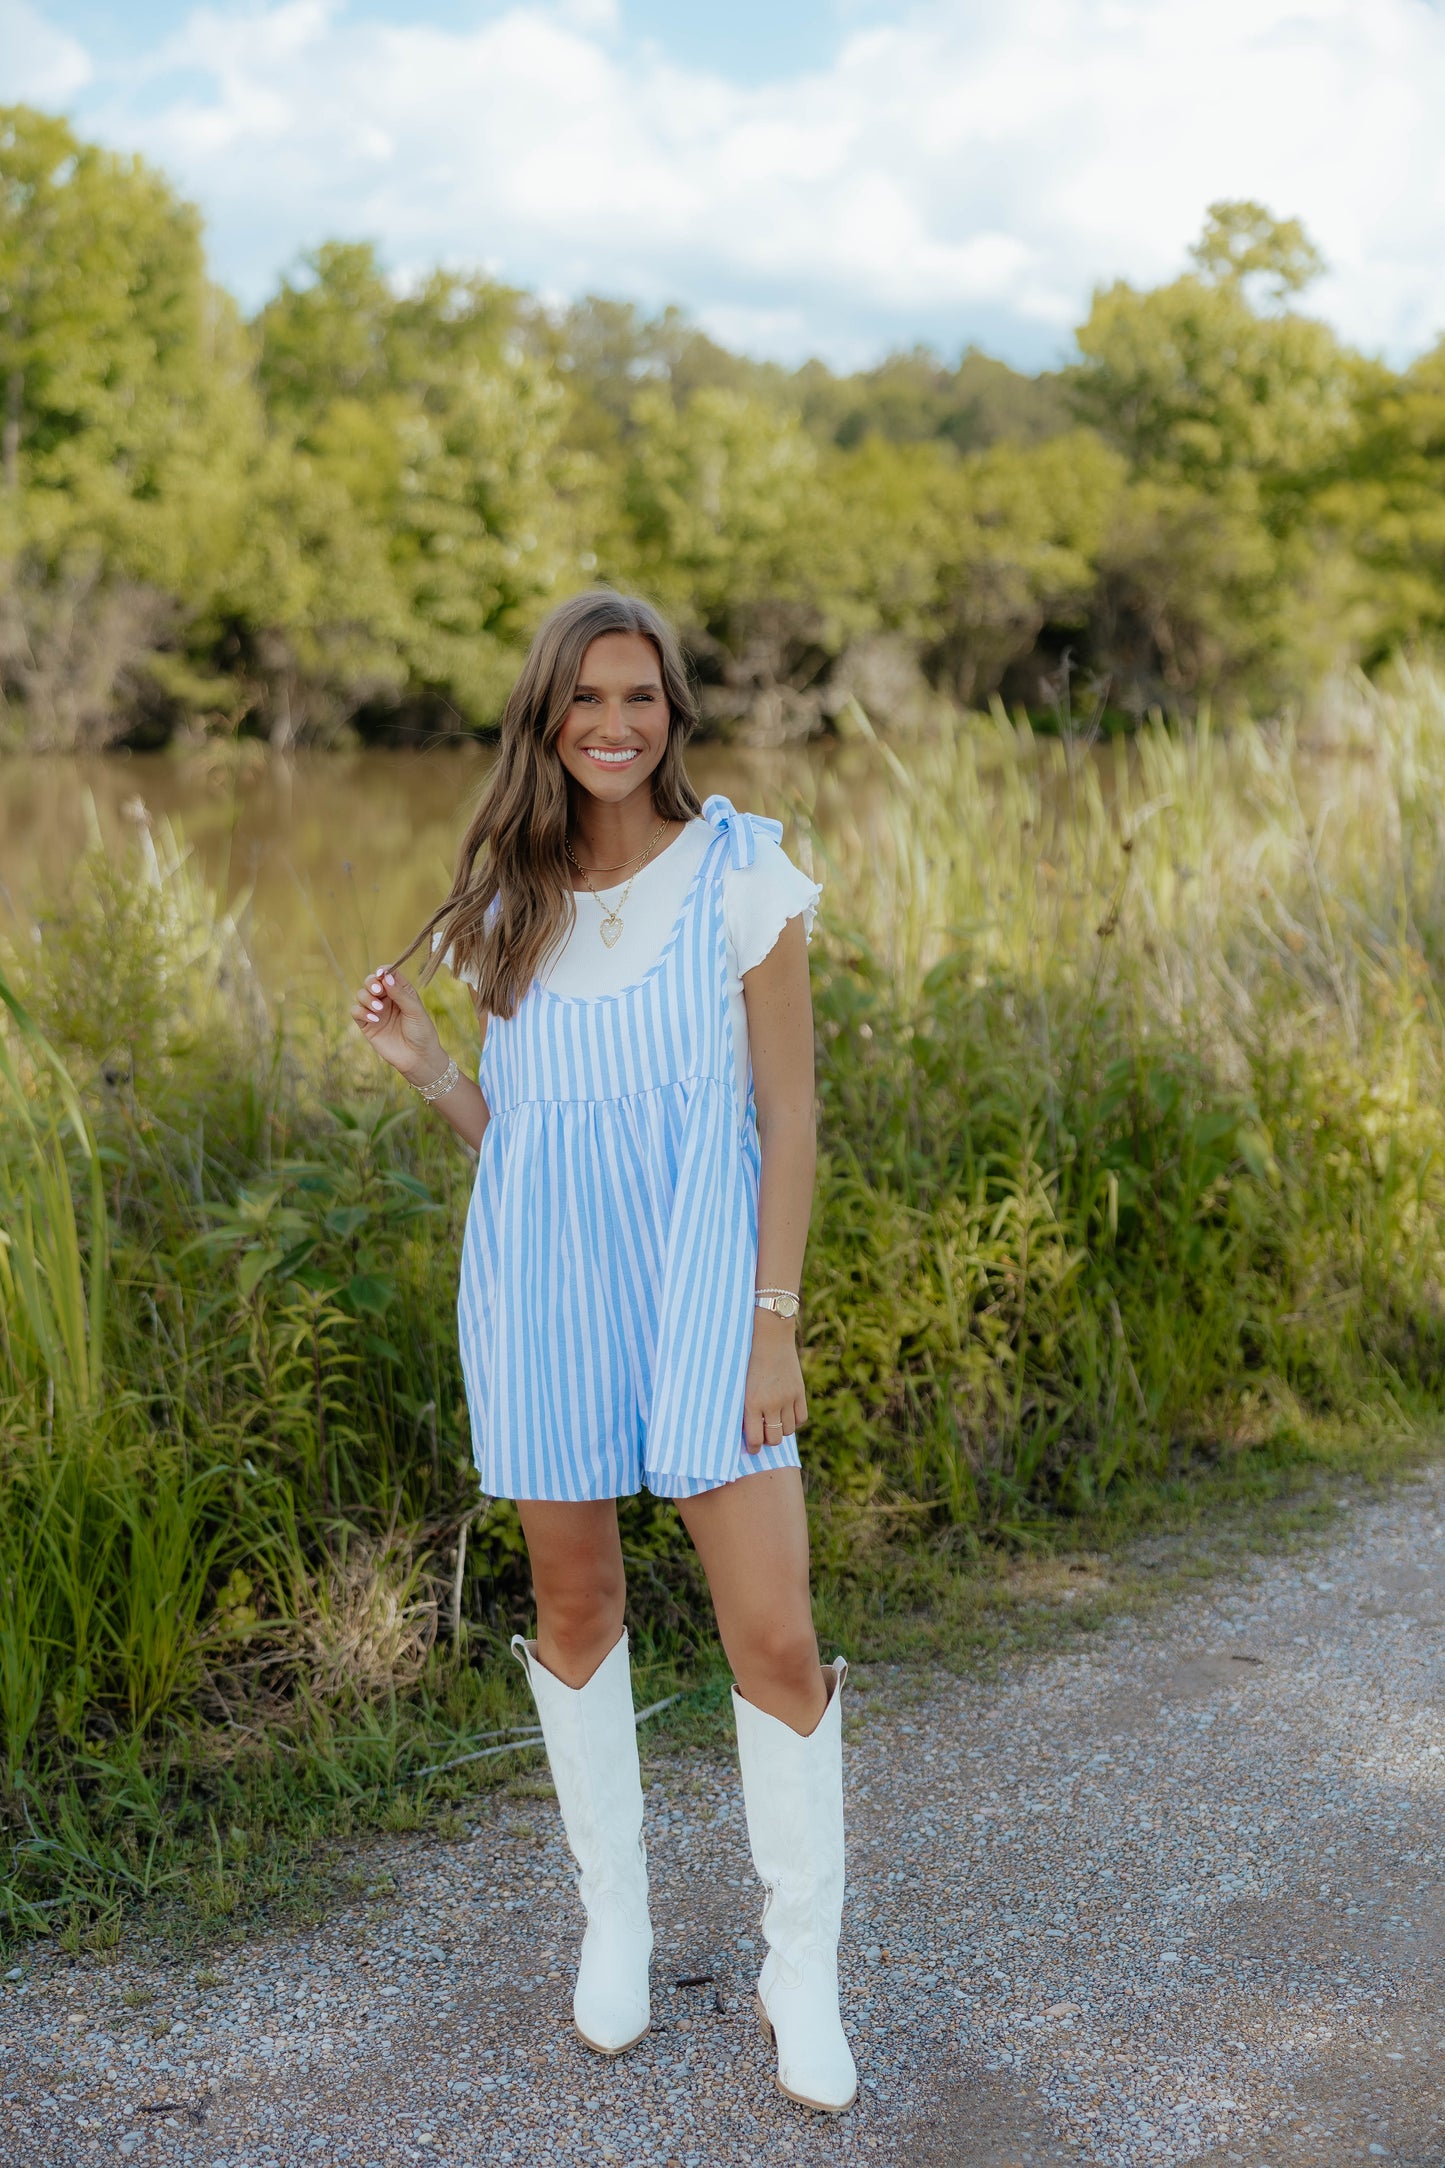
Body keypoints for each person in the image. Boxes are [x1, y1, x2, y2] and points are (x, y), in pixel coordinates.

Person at [350, 589, 856, 2115]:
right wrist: (435, 1070)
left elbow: (791, 1124)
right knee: (574, 1610)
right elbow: (533, 1156)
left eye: (639, 696)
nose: (614, 725)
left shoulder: (740, 879)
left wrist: (773, 1324)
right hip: (544, 1288)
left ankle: (799, 1972)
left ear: (672, 710)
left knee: (772, 1634)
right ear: (546, 720)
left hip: (710, 1294)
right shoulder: (510, 907)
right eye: (587, 701)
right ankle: (616, 1928)